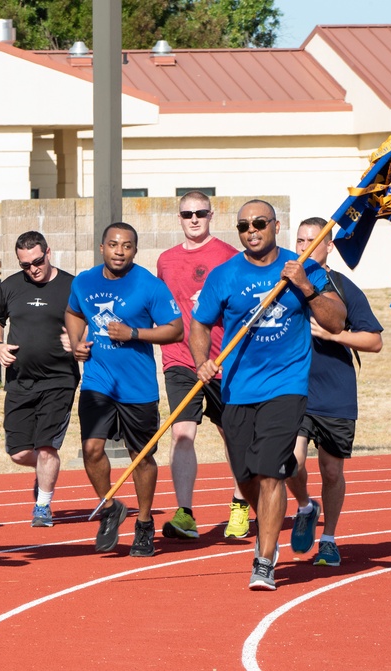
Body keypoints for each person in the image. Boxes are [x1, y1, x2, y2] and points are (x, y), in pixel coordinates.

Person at [191, 200, 346, 591]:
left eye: (259, 223)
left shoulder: (302, 265)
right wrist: (201, 361)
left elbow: (337, 321)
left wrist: (306, 287)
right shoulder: (224, 275)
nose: (251, 230)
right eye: (244, 225)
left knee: (269, 472)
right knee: (246, 478)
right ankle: (303, 508)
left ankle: (264, 557)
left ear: (276, 226)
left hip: (286, 386)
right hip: (237, 389)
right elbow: (200, 325)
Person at [65, 222, 183, 558]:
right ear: (101, 248)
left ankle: (144, 523)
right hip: (98, 381)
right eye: (114, 245)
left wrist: (134, 334)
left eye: (127, 246)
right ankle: (110, 506)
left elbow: (175, 330)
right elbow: (73, 312)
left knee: (141, 458)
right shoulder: (84, 282)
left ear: (135, 250)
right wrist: (77, 343)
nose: (120, 251)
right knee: (91, 450)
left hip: (138, 387)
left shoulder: (148, 285)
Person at [287, 217, 382, 566]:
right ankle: (304, 507)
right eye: (300, 240)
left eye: (314, 240)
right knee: (290, 461)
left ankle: (329, 538)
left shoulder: (342, 287)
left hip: (335, 393)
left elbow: (374, 340)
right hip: (293, 391)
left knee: (331, 471)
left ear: (329, 246)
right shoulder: (282, 284)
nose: (305, 246)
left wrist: (334, 335)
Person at [156, 191, 250, 540]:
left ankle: (241, 506)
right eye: (186, 214)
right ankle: (185, 514)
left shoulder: (229, 257)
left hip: (223, 362)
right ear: (178, 218)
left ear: (212, 215)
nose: (193, 219)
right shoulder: (165, 260)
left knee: (235, 437)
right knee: (182, 434)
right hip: (180, 360)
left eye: (200, 213)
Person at [0, 231, 78, 527]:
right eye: (25, 265)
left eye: (37, 261)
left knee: (48, 446)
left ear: (48, 253)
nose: (33, 269)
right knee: (19, 452)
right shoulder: (11, 286)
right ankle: (44, 472)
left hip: (59, 379)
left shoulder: (71, 285)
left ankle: (43, 506)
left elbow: (89, 322)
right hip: (19, 381)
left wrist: (78, 340)